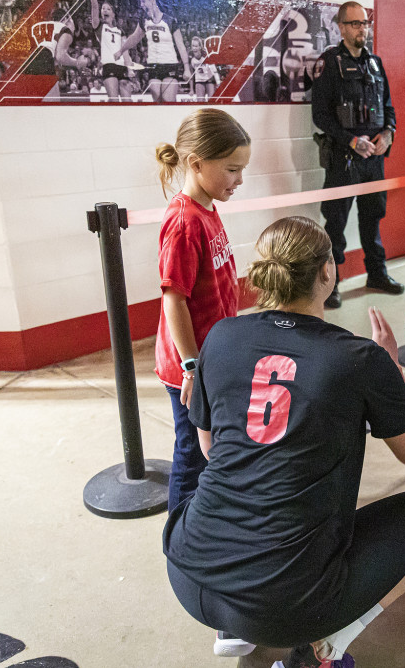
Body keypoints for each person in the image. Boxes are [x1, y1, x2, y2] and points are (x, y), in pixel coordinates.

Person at [163, 216, 405, 668]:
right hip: (280, 608)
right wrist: (394, 372)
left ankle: (236, 624)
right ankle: (326, 645)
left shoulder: (221, 336)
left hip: (187, 576)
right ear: (327, 273)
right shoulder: (358, 357)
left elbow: (210, 450)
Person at [153, 108, 250, 512]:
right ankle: (179, 532)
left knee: (213, 443)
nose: (239, 180)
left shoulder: (207, 208)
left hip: (212, 357)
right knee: (191, 451)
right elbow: (173, 299)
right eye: (231, 169)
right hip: (189, 370)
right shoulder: (183, 222)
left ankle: (207, 514)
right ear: (196, 164)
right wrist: (191, 365)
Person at [311, 1, 402, 308]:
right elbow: (321, 116)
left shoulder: (375, 64)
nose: (362, 29)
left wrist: (388, 132)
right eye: (355, 24)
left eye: (365, 23)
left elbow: (389, 106)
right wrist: (351, 141)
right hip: (344, 160)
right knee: (335, 223)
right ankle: (330, 285)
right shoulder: (330, 63)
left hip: (374, 160)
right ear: (341, 27)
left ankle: (377, 274)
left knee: (372, 219)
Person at [116, 0, 191, 103]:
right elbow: (134, 39)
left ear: (153, 1)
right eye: (140, 2)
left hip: (170, 65)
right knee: (158, 102)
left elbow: (180, 45)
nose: (141, 5)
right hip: (153, 66)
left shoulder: (169, 20)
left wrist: (186, 68)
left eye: (143, 1)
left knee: (168, 102)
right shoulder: (144, 21)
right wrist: (121, 50)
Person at [89, 0, 132, 102]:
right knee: (114, 101)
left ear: (113, 14)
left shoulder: (120, 31)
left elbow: (125, 51)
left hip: (122, 66)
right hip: (109, 65)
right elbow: (94, 6)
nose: (105, 10)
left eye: (108, 9)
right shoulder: (100, 27)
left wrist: (130, 68)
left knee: (128, 102)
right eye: (103, 9)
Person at [189, 36, 220, 102]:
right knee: (200, 101)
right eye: (193, 46)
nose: (194, 48)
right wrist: (191, 89)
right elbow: (191, 75)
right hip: (199, 80)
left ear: (200, 47)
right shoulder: (190, 56)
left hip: (209, 79)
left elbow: (214, 69)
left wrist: (218, 82)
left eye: (196, 46)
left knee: (211, 101)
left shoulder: (206, 55)